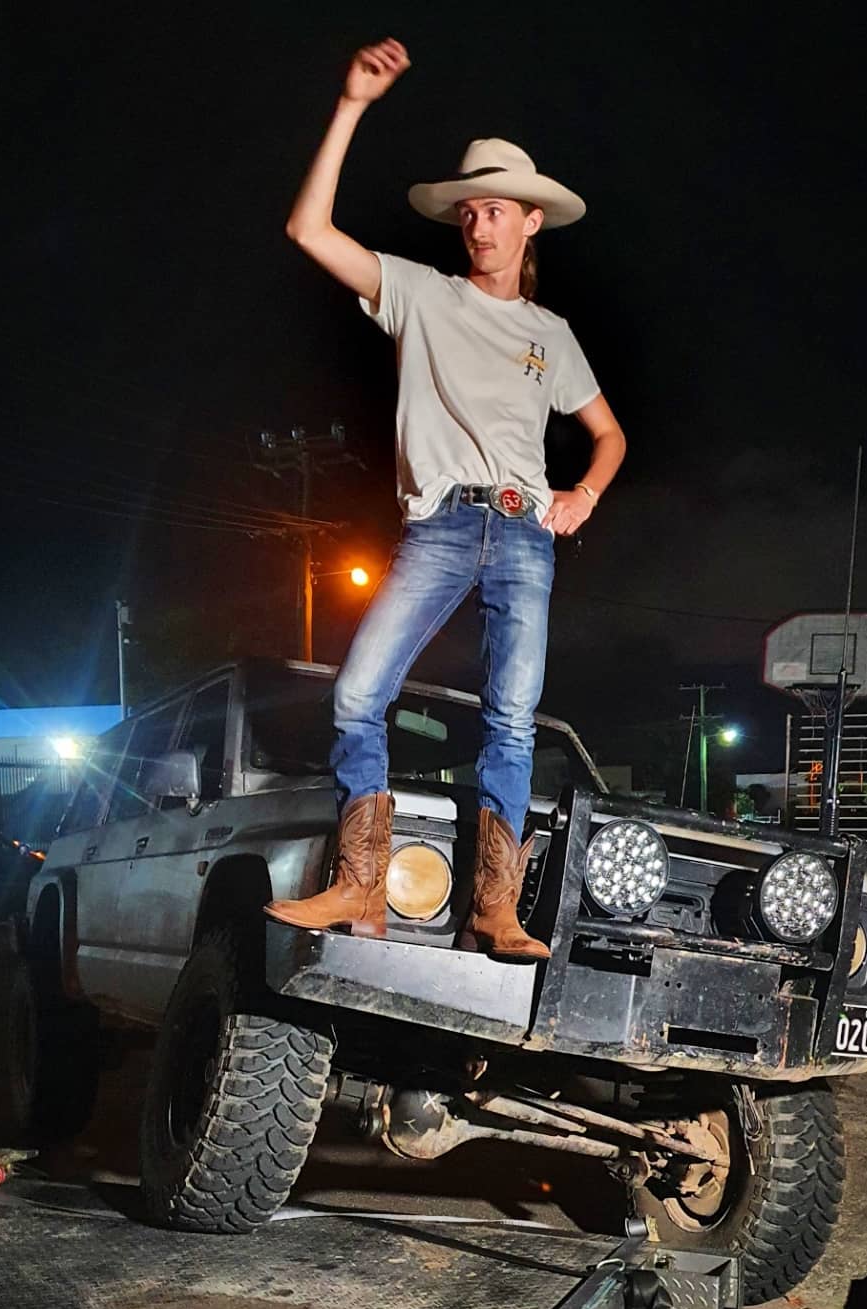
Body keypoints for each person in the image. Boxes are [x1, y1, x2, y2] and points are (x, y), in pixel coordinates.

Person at [265, 37, 626, 960]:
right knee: (357, 695)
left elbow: (610, 434)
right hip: (437, 525)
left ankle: (494, 911)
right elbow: (310, 232)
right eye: (469, 211)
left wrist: (582, 494)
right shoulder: (420, 295)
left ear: (530, 224)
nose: (479, 225)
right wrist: (350, 106)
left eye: (496, 211)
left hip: (523, 534)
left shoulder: (552, 334)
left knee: (509, 719)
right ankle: (360, 888)